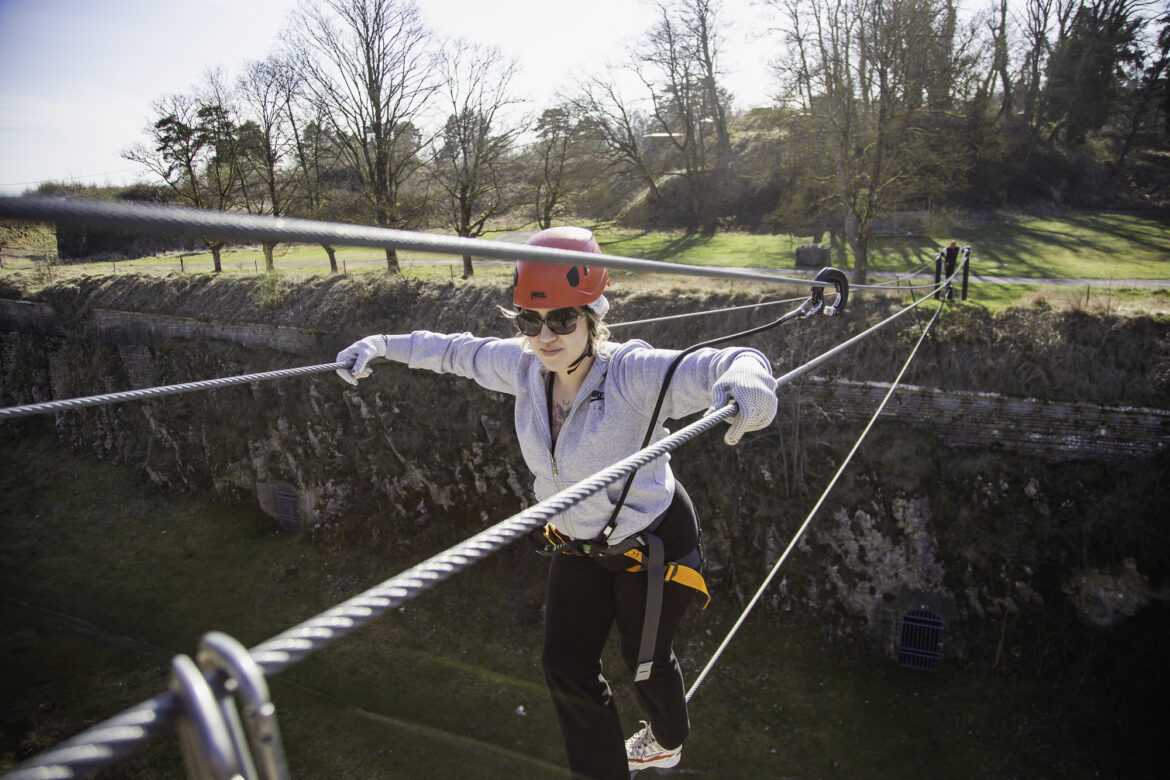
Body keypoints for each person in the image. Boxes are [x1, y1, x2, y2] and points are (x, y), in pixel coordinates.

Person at [334, 226, 778, 779]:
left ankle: (667, 740)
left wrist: (748, 382)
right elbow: (453, 351)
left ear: (594, 317)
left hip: (652, 540)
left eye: (563, 320)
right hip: (578, 541)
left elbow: (727, 361)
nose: (545, 336)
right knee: (563, 666)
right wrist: (382, 345)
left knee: (645, 666)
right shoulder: (526, 370)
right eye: (529, 321)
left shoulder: (633, 375)